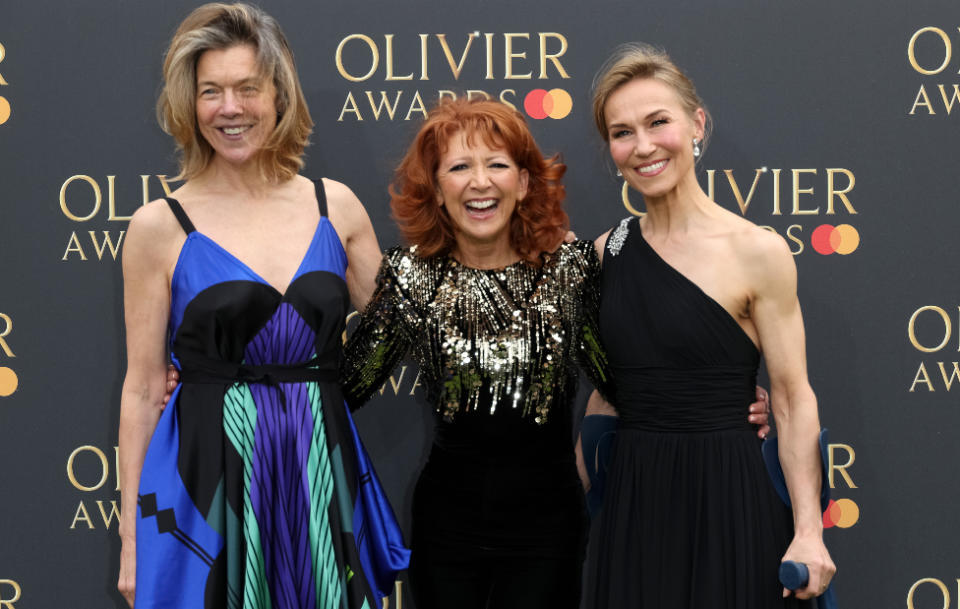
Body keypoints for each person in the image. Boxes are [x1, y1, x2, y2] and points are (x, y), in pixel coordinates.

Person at [338, 98, 769, 609]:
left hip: (549, 529)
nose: (480, 182)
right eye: (459, 167)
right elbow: (345, 386)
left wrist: (716, 400)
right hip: (446, 528)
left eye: (497, 165)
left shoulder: (569, 270)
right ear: (436, 188)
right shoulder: (413, 277)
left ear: (522, 184)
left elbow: (624, 381)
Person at [116, 4, 407, 609]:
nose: (231, 108)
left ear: (279, 95)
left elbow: (398, 328)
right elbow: (143, 390)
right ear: (188, 106)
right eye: (211, 92)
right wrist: (130, 541)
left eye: (248, 88)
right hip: (206, 482)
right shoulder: (159, 227)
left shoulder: (336, 207)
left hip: (317, 472)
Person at [584, 44, 835, 608]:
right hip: (635, 502)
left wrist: (808, 531)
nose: (643, 146)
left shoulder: (757, 251)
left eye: (658, 122)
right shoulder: (604, 253)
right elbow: (605, 391)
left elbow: (794, 399)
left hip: (729, 495)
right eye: (622, 132)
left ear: (696, 124)